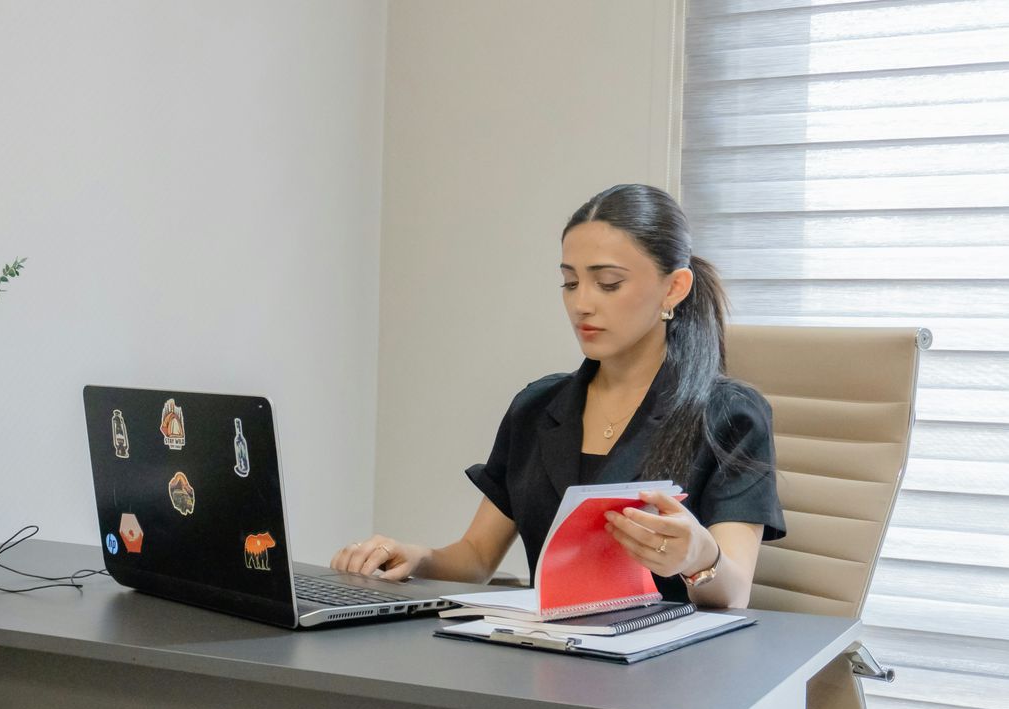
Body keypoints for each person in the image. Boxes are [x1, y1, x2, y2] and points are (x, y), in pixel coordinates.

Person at [330, 183, 785, 609]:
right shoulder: (537, 407)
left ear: (674, 287)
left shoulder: (730, 415)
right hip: (546, 659)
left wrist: (699, 557)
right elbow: (475, 557)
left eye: (608, 283)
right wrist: (416, 558)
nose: (581, 303)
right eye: (570, 282)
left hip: (668, 671)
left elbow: (734, 594)